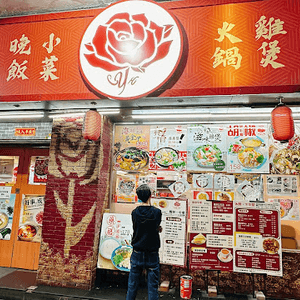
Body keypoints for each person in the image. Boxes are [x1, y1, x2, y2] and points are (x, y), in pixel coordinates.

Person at [126, 184, 162, 300]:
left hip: (137, 252)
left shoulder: (134, 213)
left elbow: (139, 227)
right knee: (152, 287)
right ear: (150, 196)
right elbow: (155, 226)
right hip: (152, 253)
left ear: (138, 197)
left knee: (132, 286)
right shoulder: (157, 212)